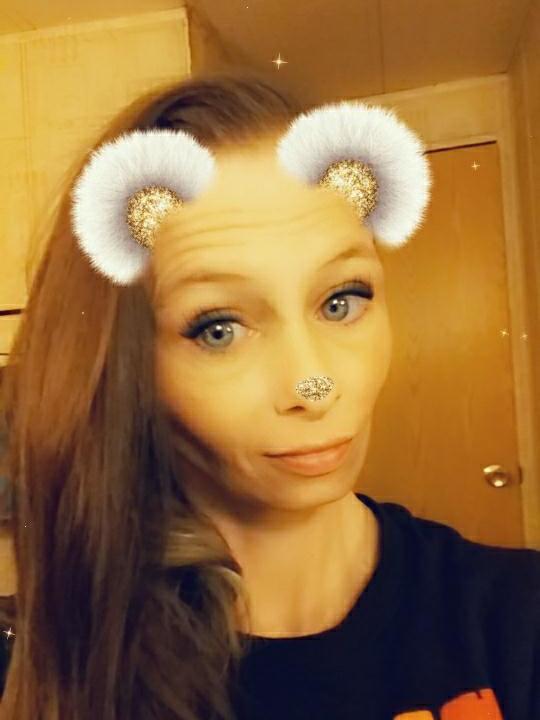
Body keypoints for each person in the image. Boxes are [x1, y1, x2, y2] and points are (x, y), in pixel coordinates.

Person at [0, 68, 538, 720]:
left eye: (341, 301)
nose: (314, 385)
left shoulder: (518, 620)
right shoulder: (57, 668)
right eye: (219, 329)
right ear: (126, 368)